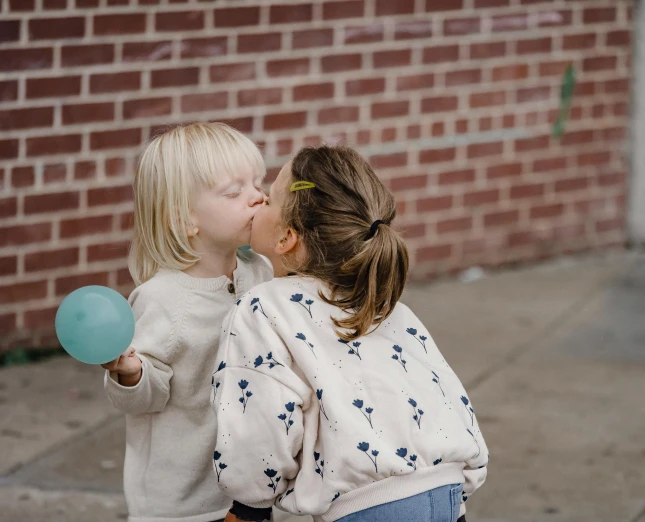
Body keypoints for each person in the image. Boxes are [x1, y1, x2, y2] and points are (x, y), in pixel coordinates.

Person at [212, 145, 488, 522]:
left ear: (286, 237)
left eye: (271, 198)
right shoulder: (388, 307)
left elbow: (258, 426)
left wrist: (248, 507)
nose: (258, 200)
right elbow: (448, 403)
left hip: (371, 510)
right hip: (449, 497)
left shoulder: (263, 307)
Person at [101, 122, 274, 522]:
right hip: (182, 501)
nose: (258, 197)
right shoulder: (162, 299)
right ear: (183, 220)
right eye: (235, 192)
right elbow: (145, 398)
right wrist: (130, 373)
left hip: (250, 486)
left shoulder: (261, 271)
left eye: (258, 183)